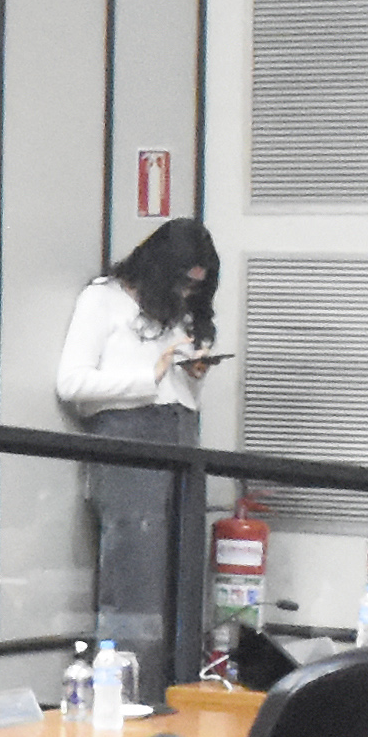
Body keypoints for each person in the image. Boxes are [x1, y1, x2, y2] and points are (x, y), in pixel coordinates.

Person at [52, 217, 225, 655]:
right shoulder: (103, 300)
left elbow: (174, 387)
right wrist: (149, 375)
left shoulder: (178, 311)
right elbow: (72, 384)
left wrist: (193, 374)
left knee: (182, 577)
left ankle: (175, 687)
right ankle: (126, 693)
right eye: (182, 283)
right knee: (135, 579)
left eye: (196, 288)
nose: (187, 294)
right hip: (128, 437)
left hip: (181, 434)